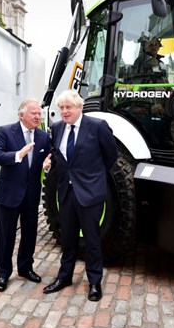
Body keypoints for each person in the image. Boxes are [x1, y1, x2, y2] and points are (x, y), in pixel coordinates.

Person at [43, 90, 118, 302]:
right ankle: (64, 276)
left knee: (92, 239)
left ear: (79, 107)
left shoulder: (97, 126)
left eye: (69, 107)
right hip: (66, 193)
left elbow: (110, 155)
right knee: (67, 238)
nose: (65, 111)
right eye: (62, 108)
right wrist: (50, 164)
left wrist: (94, 175)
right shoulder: (57, 128)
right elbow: (60, 158)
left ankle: (94, 282)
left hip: (89, 193)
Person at [0, 99, 52, 292]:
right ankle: (3, 273)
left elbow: (50, 156)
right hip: (9, 194)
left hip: (31, 195)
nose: (37, 117)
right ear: (21, 115)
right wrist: (17, 155)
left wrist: (48, 163)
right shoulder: (6, 131)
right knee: (5, 236)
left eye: (39, 114)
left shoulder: (43, 137)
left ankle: (25, 268)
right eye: (33, 113)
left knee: (29, 234)